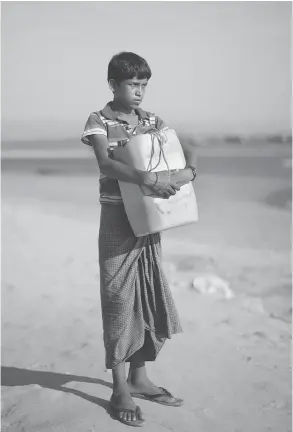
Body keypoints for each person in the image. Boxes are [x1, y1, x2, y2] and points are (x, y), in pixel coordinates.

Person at [81, 52, 197, 427]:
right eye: (133, 85)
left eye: (144, 85)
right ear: (113, 85)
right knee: (117, 299)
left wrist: (188, 172)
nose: (139, 92)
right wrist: (147, 179)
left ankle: (139, 376)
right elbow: (106, 164)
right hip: (117, 217)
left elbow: (180, 147)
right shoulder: (98, 120)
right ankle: (119, 389)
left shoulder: (152, 121)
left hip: (149, 218)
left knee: (147, 292)